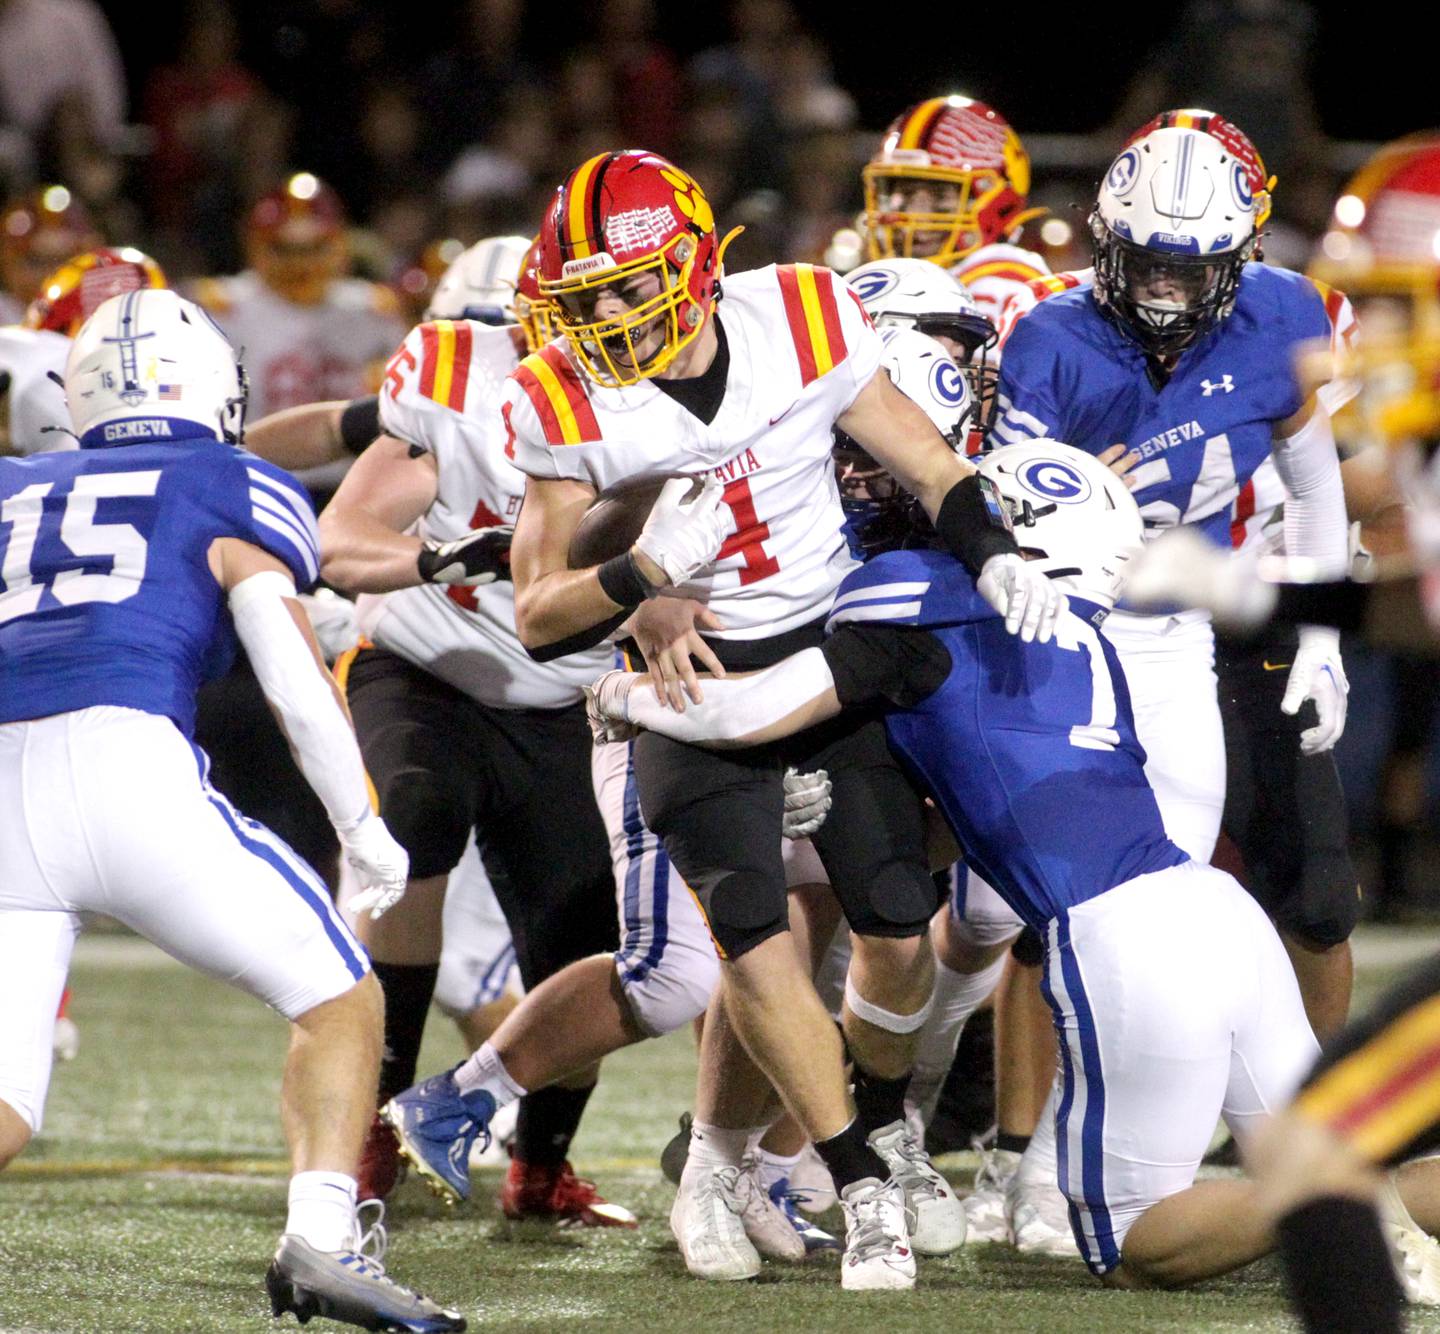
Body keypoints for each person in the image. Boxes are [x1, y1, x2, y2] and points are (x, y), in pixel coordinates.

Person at [383, 147, 1061, 1292]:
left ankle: (853, 1129)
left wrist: (993, 556)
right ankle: (835, 1174)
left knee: (894, 924)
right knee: (731, 944)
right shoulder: (558, 391)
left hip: (823, 662)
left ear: (696, 267)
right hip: (679, 694)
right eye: (582, 295)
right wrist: (644, 573)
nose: (600, 316)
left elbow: (929, 460)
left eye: (622, 288)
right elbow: (544, 610)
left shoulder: (803, 311)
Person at [586, 437, 1440, 1294]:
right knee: (1314, 1140)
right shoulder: (1095, 638)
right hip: (1217, 910)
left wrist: (625, 694)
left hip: (1126, 941)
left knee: (1141, 1246)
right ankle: (1380, 1194)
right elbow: (996, 802)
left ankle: (1342, 1202)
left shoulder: (927, 597)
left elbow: (759, 709)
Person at [0, 288, 462, 1333]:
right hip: (122, 760)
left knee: (8, 1105)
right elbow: (295, 676)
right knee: (341, 994)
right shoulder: (230, 476)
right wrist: (362, 822)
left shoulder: (14, 486)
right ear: (215, 388)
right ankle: (323, 1242)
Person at [860, 95, 1050, 327]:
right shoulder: (908, 282)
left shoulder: (1002, 280)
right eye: (905, 194)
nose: (910, 215)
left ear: (995, 199)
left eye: (940, 196)